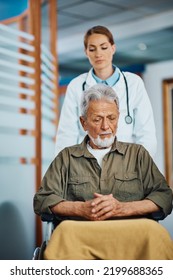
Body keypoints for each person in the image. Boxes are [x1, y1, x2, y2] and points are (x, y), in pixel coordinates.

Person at [34, 84, 172, 260]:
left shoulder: (138, 154)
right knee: (64, 232)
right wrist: (81, 209)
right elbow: (42, 199)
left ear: (118, 118)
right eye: (97, 119)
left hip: (132, 233)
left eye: (111, 118)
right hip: (80, 235)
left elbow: (165, 196)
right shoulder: (66, 157)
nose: (106, 126)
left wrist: (121, 209)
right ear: (83, 122)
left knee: (154, 232)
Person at [55, 25, 157, 158]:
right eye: (92, 49)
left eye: (104, 47)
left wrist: (139, 168)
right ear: (86, 52)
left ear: (113, 48)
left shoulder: (133, 83)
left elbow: (146, 134)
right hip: (87, 164)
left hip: (126, 163)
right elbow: (66, 135)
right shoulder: (76, 86)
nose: (98, 54)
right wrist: (66, 169)